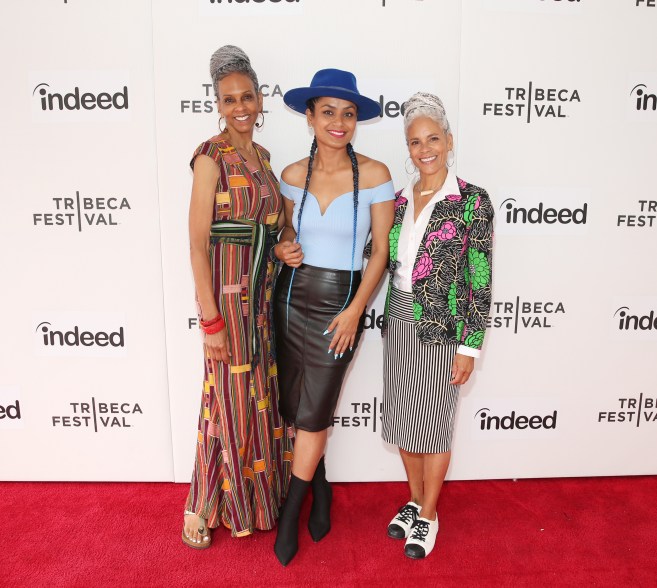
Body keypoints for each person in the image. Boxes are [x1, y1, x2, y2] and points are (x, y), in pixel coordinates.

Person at [271, 69, 395, 565]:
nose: (338, 122)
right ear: (309, 117)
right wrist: (283, 248)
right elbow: (284, 233)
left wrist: (355, 310)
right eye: (328, 112)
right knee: (295, 406)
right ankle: (321, 491)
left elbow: (381, 253)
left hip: (340, 302)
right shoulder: (292, 175)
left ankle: (289, 514)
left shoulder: (377, 175)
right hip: (289, 298)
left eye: (348, 114)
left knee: (316, 409)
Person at [182, 45, 292, 549]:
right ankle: (201, 508)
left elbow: (270, 228)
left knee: (255, 402)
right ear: (218, 104)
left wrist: (284, 246)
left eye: (248, 96)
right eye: (230, 99)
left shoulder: (264, 160)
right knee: (223, 402)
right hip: (227, 307)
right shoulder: (210, 157)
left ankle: (256, 500)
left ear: (261, 98)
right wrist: (210, 320)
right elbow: (199, 244)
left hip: (263, 304)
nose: (241, 106)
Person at [381, 92, 494, 559]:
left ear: (449, 140)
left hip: (443, 329)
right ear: (407, 148)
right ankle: (413, 498)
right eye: (414, 141)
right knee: (404, 420)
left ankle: (429, 514)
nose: (424, 148)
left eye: (432, 138)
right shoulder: (399, 198)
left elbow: (480, 277)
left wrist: (470, 346)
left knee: (433, 425)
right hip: (398, 319)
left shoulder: (472, 202)